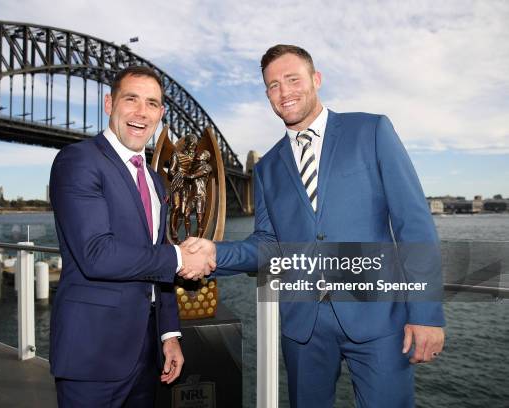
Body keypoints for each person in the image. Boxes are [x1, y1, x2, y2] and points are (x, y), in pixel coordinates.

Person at [181, 45, 445, 407]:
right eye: (273, 85)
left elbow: (413, 224)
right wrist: (215, 252)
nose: (284, 92)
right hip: (304, 328)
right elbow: (268, 244)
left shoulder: (371, 130)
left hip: (378, 319)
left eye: (293, 79)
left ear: (315, 79)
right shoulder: (268, 167)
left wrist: (426, 313)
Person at [49, 66, 214, 407]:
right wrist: (182, 257)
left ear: (161, 114)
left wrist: (169, 334)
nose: (142, 112)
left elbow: (155, 261)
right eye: (131, 99)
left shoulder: (155, 181)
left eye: (152, 104)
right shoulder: (78, 160)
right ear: (109, 103)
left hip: (145, 352)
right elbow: (96, 254)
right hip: (93, 354)